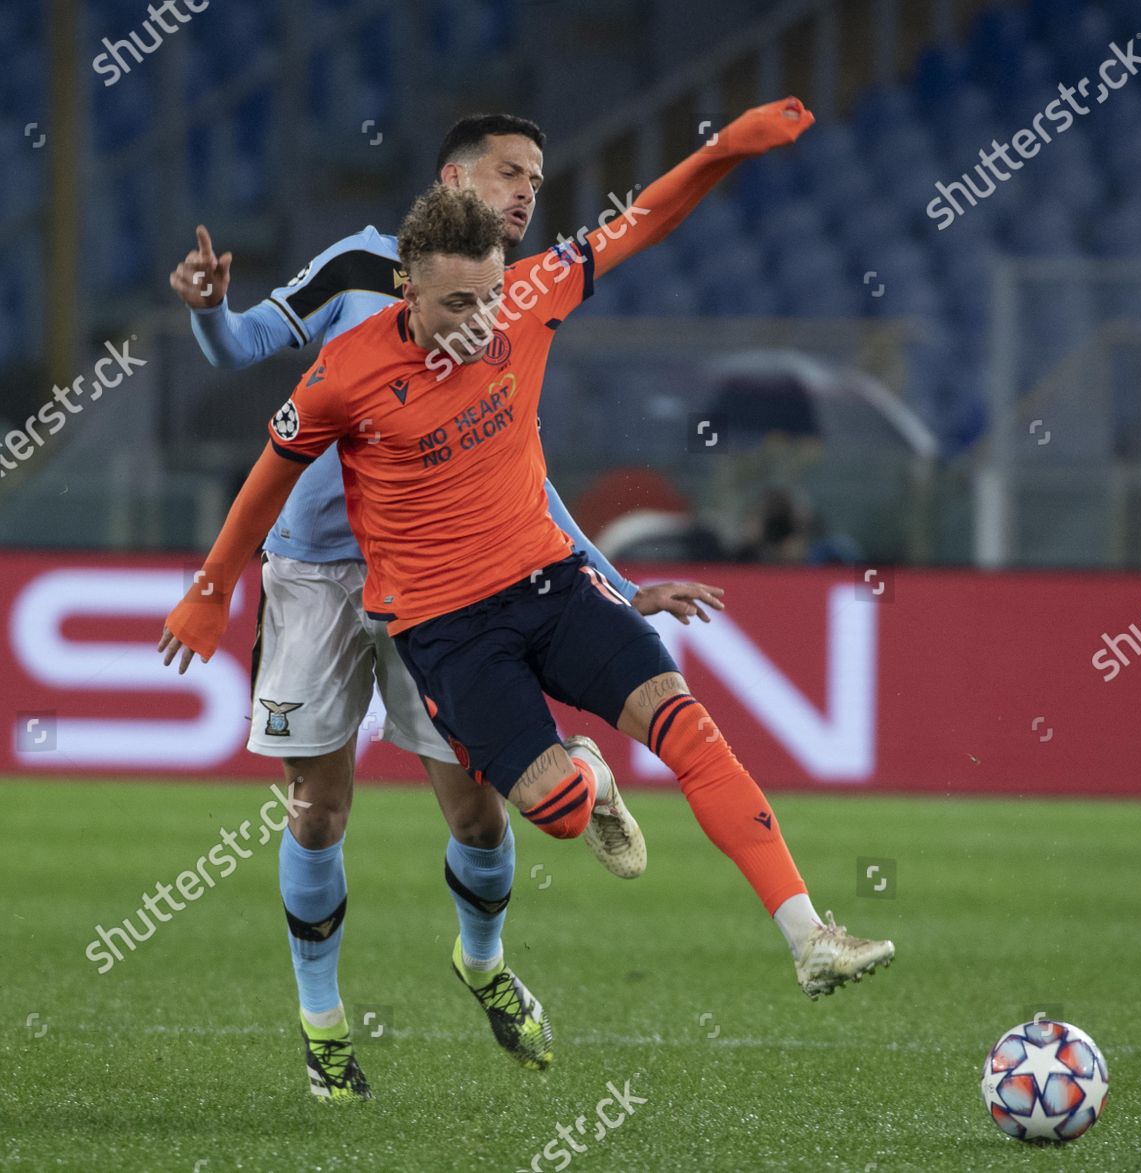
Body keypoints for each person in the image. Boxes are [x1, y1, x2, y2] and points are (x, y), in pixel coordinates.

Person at [159, 101, 893, 1062]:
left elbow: (527, 469)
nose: (526, 196)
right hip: (348, 585)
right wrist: (212, 587)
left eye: (538, 185)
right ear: (438, 221)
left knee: (493, 807)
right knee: (321, 809)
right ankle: (325, 1021)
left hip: (524, 576)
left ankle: (780, 938)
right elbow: (262, 441)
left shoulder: (529, 292)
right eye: (513, 174)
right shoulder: (350, 333)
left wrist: (723, 150)